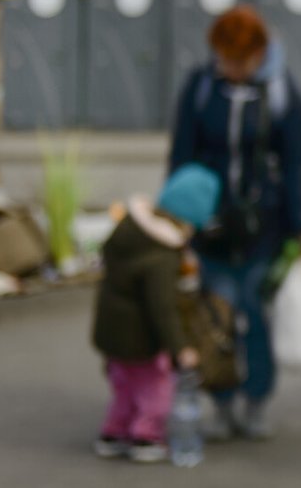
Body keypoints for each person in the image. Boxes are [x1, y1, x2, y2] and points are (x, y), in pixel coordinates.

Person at [169, 5, 301, 442]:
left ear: (258, 54)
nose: (228, 67)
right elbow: (180, 155)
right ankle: (222, 401)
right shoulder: (199, 88)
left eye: (237, 60)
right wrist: (174, 218)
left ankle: (255, 401)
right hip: (209, 228)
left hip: (263, 229)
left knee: (255, 312)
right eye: (222, 57)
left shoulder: (284, 93)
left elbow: (295, 165)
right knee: (217, 317)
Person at [90, 165, 220, 464]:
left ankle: (113, 433)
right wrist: (181, 349)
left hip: (112, 334)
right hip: (141, 340)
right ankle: (145, 436)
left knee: (123, 388)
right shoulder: (161, 257)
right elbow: (163, 309)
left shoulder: (128, 231)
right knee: (154, 390)